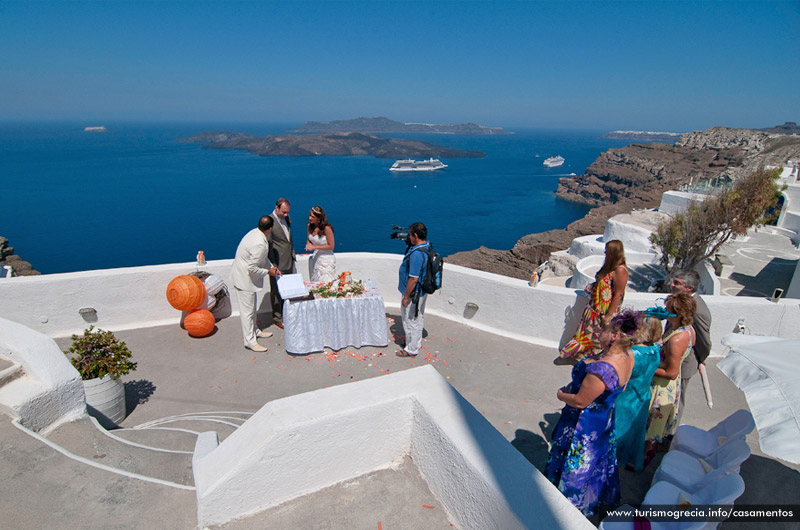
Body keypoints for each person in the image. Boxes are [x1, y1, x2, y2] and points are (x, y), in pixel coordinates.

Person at [545, 310, 638, 517]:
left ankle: (565, 511)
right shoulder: (627, 355)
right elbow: (620, 388)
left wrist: (561, 395)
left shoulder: (602, 370)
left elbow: (580, 401)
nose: (599, 331)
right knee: (596, 463)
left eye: (604, 329)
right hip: (603, 421)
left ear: (614, 336)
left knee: (577, 467)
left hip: (583, 425)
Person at [560, 240, 629, 361]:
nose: (605, 253)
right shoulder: (609, 267)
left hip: (604, 313)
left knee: (599, 339)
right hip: (594, 310)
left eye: (607, 251)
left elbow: (618, 294)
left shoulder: (620, 270)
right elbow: (604, 283)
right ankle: (585, 360)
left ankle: (596, 363)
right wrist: (592, 286)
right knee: (588, 336)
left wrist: (608, 315)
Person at [646, 293, 696, 451]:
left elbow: (671, 372)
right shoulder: (688, 330)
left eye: (668, 309)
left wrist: (647, 368)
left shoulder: (676, 339)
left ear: (677, 313)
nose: (665, 310)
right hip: (668, 385)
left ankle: (641, 461)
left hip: (661, 386)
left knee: (650, 428)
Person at [615, 315, 662, 471]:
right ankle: (626, 461)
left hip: (625, 399)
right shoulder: (655, 350)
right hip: (642, 398)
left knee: (617, 437)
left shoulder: (632, 352)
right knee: (633, 434)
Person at [668, 269, 712, 427]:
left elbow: (704, 341)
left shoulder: (698, 310)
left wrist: (701, 358)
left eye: (677, 283)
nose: (671, 285)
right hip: (671, 356)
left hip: (684, 362)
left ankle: (669, 436)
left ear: (689, 288)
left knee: (677, 401)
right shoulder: (678, 300)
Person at [231, 216, 282, 352]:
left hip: (247, 278)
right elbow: (252, 267)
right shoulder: (259, 243)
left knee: (252, 309)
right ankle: (250, 341)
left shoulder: (255, 233)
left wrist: (272, 266)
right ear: (270, 229)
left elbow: (263, 258)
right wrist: (268, 272)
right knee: (247, 312)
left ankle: (255, 331)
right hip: (244, 280)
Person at [396, 222, 429, 358]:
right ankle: (415, 343)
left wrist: (405, 297)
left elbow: (413, 279)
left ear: (415, 235)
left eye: (409, 234)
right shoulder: (426, 246)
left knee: (410, 321)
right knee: (418, 317)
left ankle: (411, 349)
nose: (408, 237)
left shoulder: (416, 255)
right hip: (421, 292)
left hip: (413, 293)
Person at [267, 198, 296, 329]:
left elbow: (288, 240)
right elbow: (268, 245)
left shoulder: (286, 219)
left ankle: (287, 314)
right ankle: (277, 317)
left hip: (289, 260)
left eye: (287, 212)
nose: (286, 215)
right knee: (276, 292)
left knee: (288, 290)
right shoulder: (269, 221)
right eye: (283, 212)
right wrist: (272, 265)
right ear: (276, 208)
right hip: (278, 263)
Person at [305, 205, 336, 282]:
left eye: (312, 217)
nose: (309, 218)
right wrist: (308, 245)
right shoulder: (309, 226)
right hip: (316, 257)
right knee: (316, 279)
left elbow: (331, 246)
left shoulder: (327, 229)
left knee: (326, 280)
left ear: (319, 218)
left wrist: (314, 247)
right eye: (310, 216)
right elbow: (309, 240)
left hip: (326, 259)